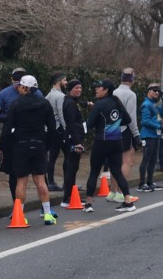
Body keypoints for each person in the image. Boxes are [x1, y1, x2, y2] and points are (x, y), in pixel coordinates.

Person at [0, 75, 59, 224]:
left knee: (21, 181)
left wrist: (1, 147)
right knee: (41, 180)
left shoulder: (16, 104)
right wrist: (47, 145)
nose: (18, 88)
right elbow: (52, 128)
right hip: (39, 144)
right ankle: (47, 213)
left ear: (24, 87)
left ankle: (20, 215)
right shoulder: (45, 104)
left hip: (21, 145)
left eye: (20, 86)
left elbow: (7, 128)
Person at [82, 79, 138, 213]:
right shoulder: (117, 102)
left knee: (94, 171)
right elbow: (128, 119)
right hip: (116, 141)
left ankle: (88, 204)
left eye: (98, 87)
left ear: (106, 90)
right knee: (117, 171)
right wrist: (114, 122)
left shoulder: (99, 104)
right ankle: (128, 201)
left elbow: (89, 124)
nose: (96, 90)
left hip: (101, 141)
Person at [0, 67, 45, 202]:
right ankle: (16, 205)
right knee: (14, 173)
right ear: (12, 80)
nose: (17, 86)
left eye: (19, 83)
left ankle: (45, 206)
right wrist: (11, 118)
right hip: (13, 138)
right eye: (15, 82)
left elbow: (45, 114)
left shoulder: (38, 94)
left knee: (39, 174)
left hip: (34, 137)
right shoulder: (4, 94)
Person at [111, 68, 141, 204]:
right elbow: (131, 118)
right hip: (124, 130)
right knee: (126, 161)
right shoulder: (131, 95)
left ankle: (112, 192)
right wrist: (136, 134)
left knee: (114, 162)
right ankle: (121, 193)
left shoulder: (113, 92)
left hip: (111, 129)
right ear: (132, 80)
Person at [60, 79, 87, 207]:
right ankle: (67, 197)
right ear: (70, 89)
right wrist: (76, 142)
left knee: (73, 167)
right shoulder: (70, 104)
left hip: (74, 138)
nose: (79, 90)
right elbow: (71, 123)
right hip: (72, 140)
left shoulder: (73, 102)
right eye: (76, 88)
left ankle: (71, 195)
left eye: (80, 87)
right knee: (71, 166)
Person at [137, 84, 163, 192]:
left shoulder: (153, 104)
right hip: (148, 136)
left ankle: (149, 182)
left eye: (158, 91)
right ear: (149, 91)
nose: (157, 92)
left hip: (154, 135)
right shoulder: (146, 104)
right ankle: (141, 184)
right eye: (155, 90)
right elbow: (145, 121)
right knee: (146, 159)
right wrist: (159, 126)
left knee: (153, 159)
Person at [45, 72, 67, 190]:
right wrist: (66, 128)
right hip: (59, 129)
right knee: (68, 155)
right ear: (58, 81)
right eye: (64, 80)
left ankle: (51, 181)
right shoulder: (60, 96)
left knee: (52, 156)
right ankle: (67, 182)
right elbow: (61, 113)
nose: (66, 82)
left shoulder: (48, 95)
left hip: (50, 129)